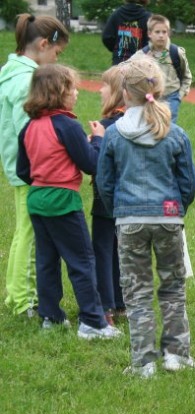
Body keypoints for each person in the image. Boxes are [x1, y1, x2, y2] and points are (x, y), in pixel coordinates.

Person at [96, 57, 195, 378]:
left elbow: (105, 182)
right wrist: (176, 208)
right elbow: (188, 182)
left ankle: (143, 363)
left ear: (125, 93)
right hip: (168, 217)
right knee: (173, 287)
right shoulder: (175, 133)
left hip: (129, 221)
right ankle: (176, 355)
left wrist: (119, 211)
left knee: (136, 292)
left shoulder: (114, 136)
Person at [15, 64, 122, 339]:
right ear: (59, 92)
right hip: (63, 199)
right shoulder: (67, 124)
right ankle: (92, 322)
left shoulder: (29, 126)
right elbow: (90, 164)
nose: (77, 92)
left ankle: (50, 317)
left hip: (37, 199)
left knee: (47, 260)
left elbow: (22, 171)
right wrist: (97, 140)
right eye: (72, 87)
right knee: (82, 260)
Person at [0, 14, 69, 317]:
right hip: (31, 170)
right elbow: (27, 130)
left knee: (23, 232)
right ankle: (23, 301)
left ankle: (16, 295)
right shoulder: (27, 80)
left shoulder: (10, 72)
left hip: (19, 167)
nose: (56, 60)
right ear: (43, 44)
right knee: (30, 235)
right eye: (57, 53)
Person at [93, 66, 127, 326]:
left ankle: (105, 306)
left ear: (117, 92)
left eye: (105, 85)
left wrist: (92, 142)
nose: (100, 89)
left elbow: (95, 163)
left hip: (106, 200)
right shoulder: (138, 122)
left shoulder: (106, 127)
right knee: (121, 251)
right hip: (130, 200)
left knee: (103, 250)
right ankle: (121, 303)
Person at [130, 14, 192, 123]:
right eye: (157, 32)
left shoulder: (176, 52)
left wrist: (179, 96)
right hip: (150, 98)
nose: (161, 35)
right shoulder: (141, 55)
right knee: (149, 126)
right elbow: (126, 70)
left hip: (171, 97)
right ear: (149, 34)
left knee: (169, 128)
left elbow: (187, 76)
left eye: (164, 32)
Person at [102, 0, 152, 65]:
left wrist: (117, 50)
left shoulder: (116, 14)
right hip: (140, 64)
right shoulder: (148, 18)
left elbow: (106, 37)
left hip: (119, 63)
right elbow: (151, 42)